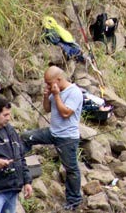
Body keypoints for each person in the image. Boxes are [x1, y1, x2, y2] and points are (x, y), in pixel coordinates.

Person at [21, 66, 83, 211]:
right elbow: (47, 109)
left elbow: (66, 113)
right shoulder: (54, 90)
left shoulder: (74, 92)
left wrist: (55, 95)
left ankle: (74, 200)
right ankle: (18, 164)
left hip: (67, 137)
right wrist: (46, 96)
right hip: (52, 132)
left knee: (71, 169)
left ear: (59, 80)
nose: (47, 85)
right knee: (26, 137)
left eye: (49, 83)